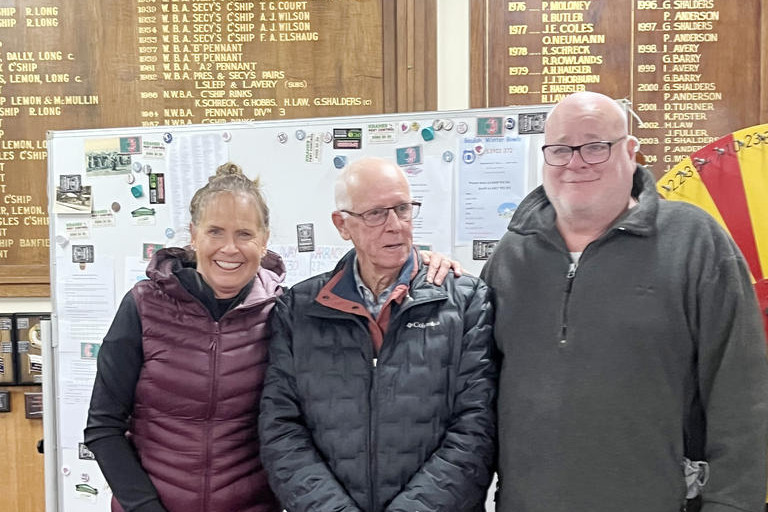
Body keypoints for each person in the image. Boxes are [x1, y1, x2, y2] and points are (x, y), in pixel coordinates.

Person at [84, 162, 459, 512]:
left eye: (245, 234)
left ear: (264, 242)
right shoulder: (144, 306)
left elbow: (299, 424)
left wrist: (420, 266)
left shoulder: (287, 311)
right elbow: (104, 427)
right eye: (215, 231)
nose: (229, 248)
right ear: (194, 236)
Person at [481, 91, 768, 512]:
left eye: (595, 146)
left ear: (630, 151)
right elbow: (476, 394)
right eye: (560, 149)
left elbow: (742, 395)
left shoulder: (694, 242)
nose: (575, 163)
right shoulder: (511, 255)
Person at [259, 157, 497, 512]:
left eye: (402, 209)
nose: (395, 226)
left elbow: (476, 427)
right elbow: (281, 428)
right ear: (342, 224)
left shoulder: (465, 301)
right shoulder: (299, 308)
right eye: (375, 213)